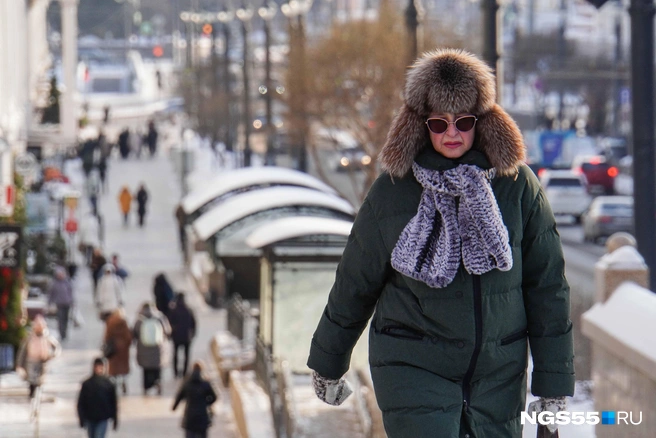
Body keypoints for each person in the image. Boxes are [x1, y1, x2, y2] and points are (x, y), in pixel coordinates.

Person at [306, 49, 575, 437]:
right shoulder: (393, 192)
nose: (452, 133)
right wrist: (328, 362)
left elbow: (547, 287)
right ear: (420, 124)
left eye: (464, 121)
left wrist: (552, 386)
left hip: (498, 372)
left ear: (482, 122)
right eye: (439, 122)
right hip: (412, 365)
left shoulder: (517, 188)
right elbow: (355, 282)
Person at [16, 315, 61, 398]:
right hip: (31, 361)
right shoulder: (30, 338)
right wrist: (19, 364)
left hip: (42, 361)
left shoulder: (46, 337)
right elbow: (23, 351)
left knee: (40, 380)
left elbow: (56, 347)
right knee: (31, 379)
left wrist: (52, 355)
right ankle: (32, 392)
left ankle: (37, 393)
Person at [133, 302, 171, 395]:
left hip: (143, 349)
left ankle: (146, 387)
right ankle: (157, 383)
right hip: (157, 348)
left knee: (146, 370)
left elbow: (135, 333)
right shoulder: (160, 317)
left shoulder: (140, 319)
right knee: (157, 368)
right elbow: (168, 331)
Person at [172, 361, 218, 438]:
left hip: (189, 415)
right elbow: (214, 397)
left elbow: (179, 396)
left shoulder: (186, 383)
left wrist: (174, 407)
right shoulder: (205, 384)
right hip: (202, 415)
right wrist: (206, 403)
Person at [77, 357, 118, 438]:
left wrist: (115, 419)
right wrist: (81, 418)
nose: (99, 369)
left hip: (103, 418)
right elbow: (81, 402)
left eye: (101, 367)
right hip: (90, 418)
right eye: (97, 367)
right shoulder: (87, 384)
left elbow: (114, 402)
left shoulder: (109, 384)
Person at [103, 309, 132, 394]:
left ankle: (114, 384)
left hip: (113, 348)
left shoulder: (110, 322)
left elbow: (106, 336)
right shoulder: (124, 322)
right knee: (123, 368)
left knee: (114, 369)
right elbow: (128, 336)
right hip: (123, 349)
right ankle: (123, 382)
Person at [168, 293, 197, 378]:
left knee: (175, 354)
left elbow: (169, 323)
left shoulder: (173, 310)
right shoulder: (189, 310)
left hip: (176, 336)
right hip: (186, 336)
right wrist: (193, 334)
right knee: (186, 355)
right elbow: (194, 324)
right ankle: (184, 372)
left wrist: (171, 335)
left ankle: (176, 372)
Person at [47, 266, 74, 341]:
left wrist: (72, 301)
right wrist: (49, 303)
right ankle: (61, 333)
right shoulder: (54, 284)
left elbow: (70, 292)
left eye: (61, 274)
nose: (60, 275)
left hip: (67, 303)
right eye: (59, 274)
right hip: (59, 304)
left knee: (66, 319)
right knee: (60, 319)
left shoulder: (67, 282)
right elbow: (50, 294)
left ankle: (65, 333)